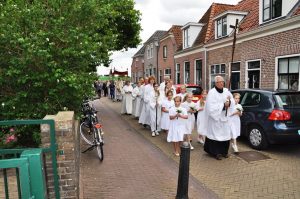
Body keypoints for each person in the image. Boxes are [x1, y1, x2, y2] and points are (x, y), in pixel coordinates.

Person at [202, 75, 235, 160]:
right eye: (219, 82)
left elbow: (233, 101)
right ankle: (216, 153)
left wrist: (230, 102)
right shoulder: (212, 93)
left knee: (225, 135)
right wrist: (223, 105)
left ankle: (224, 152)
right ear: (215, 83)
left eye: (222, 82)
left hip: (225, 117)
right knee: (215, 136)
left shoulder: (226, 91)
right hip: (215, 119)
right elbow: (210, 107)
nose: (221, 83)